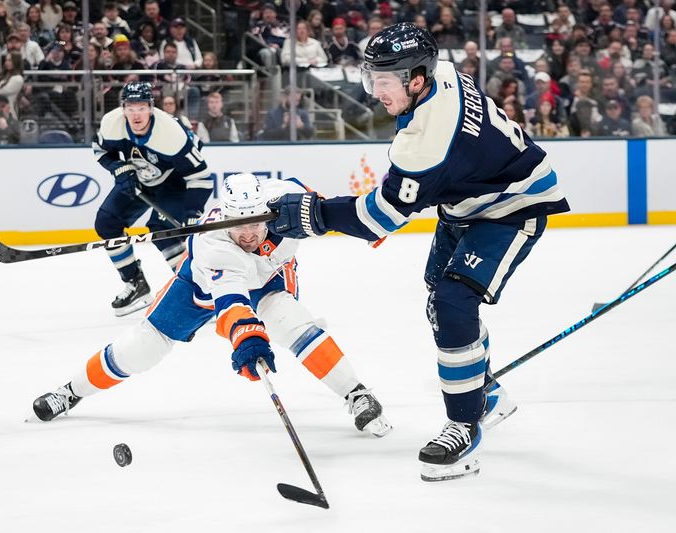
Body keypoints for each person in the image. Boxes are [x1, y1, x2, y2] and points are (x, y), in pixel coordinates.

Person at [266, 23, 570, 482]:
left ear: (415, 79)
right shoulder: (440, 73)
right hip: (469, 199)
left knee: (453, 302)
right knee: (439, 297)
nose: (375, 93)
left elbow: (379, 219)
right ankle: (485, 394)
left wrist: (315, 214)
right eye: (372, 80)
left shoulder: (428, 137)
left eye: (384, 83)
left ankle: (465, 424)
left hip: (513, 205)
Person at [29, 173, 392, 440]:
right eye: (240, 227)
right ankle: (71, 391)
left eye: (256, 224)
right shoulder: (213, 244)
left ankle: (357, 393)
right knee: (143, 347)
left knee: (293, 323)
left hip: (267, 279)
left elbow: (330, 212)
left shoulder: (289, 200)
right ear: (226, 219)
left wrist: (368, 226)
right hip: (201, 285)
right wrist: (249, 339)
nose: (248, 235)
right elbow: (231, 302)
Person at [92, 81, 212, 316]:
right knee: (106, 222)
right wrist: (118, 167)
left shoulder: (170, 135)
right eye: (130, 108)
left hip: (175, 182)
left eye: (141, 108)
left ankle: (201, 291)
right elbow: (100, 150)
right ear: (123, 108)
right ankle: (136, 283)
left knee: (161, 231)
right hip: (139, 180)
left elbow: (202, 177)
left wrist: (192, 212)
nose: (136, 114)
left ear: (151, 108)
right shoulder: (111, 124)